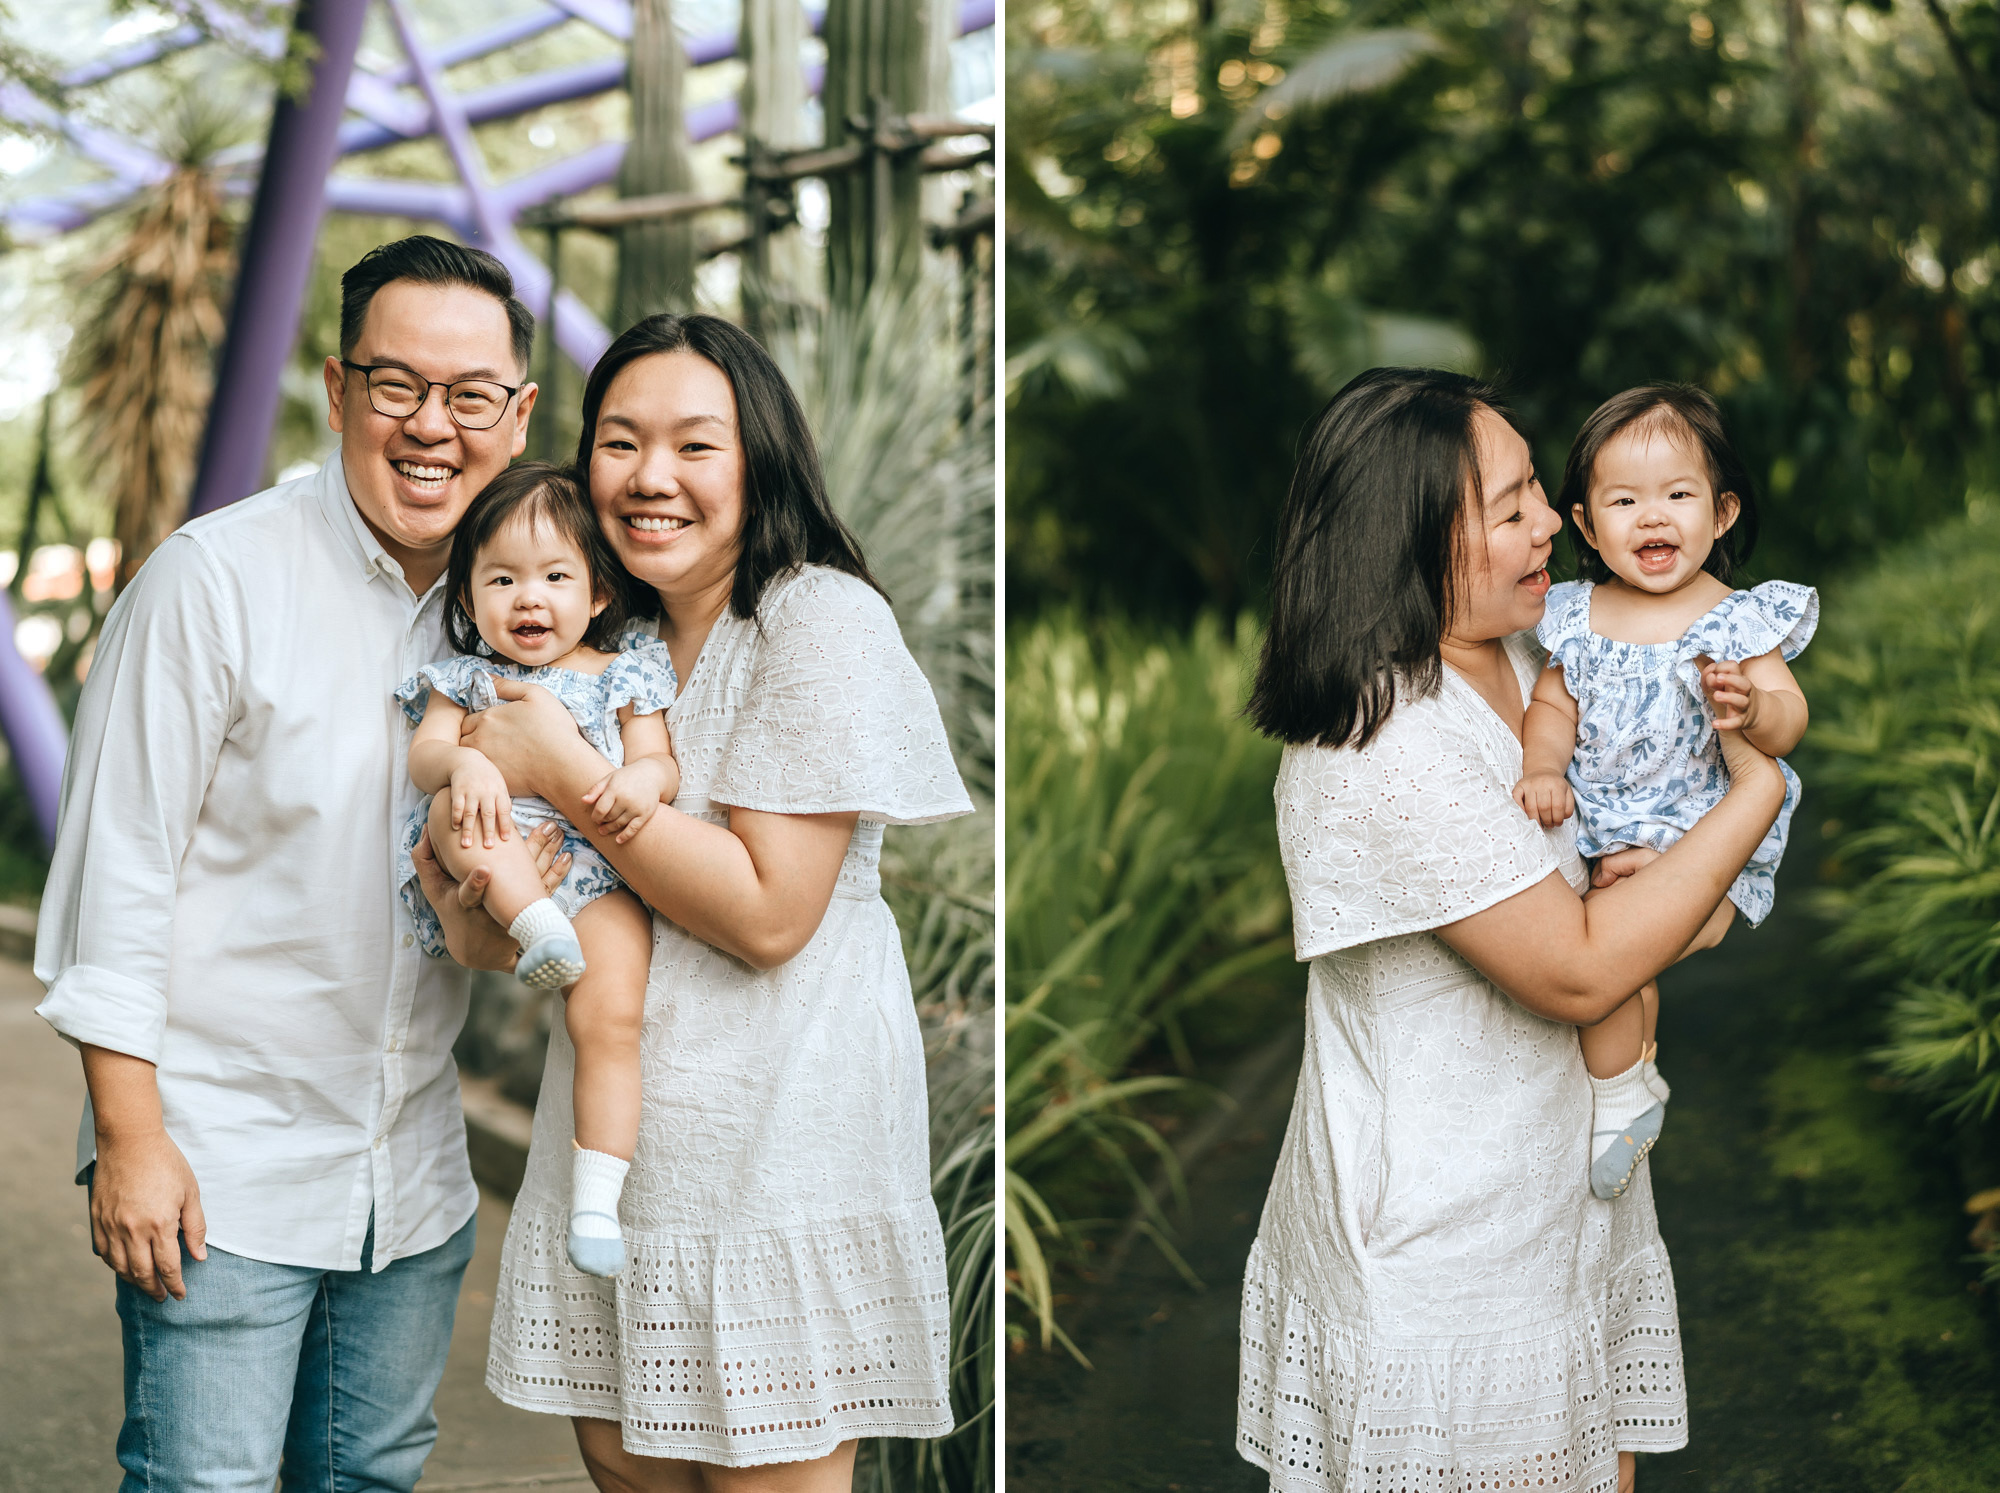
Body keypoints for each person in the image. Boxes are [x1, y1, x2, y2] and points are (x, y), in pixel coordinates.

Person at [34, 235, 570, 1492]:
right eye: (397, 386)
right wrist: (128, 1134)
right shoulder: (212, 582)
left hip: (413, 1182)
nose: (433, 427)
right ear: (338, 393)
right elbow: (116, 873)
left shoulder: (520, 614)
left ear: (519, 412)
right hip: (223, 1174)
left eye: (470, 395)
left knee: (367, 1479)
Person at [411, 312, 972, 1490]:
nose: (649, 477)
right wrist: (475, 893)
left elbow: (771, 916)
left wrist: (560, 767)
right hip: (617, 1164)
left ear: (758, 458)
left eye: (693, 445)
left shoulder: (814, 618)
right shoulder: (602, 632)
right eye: (618, 441)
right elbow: (510, 929)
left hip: (775, 1163)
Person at [1236, 367, 1788, 1493]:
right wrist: (1754, 796)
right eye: (1509, 506)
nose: (1551, 521)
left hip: (1566, 1206)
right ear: (1407, 542)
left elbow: (1674, 904)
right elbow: (1584, 968)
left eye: (1537, 486)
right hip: (1445, 1261)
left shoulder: (1543, 658)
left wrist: (1674, 878)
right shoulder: (1376, 745)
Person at [1512, 385, 1814, 1199]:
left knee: (1617, 964)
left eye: (1678, 495)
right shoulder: (1577, 617)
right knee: (1619, 964)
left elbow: (1791, 717)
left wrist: (1756, 708)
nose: (1653, 517)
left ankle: (1616, 1098)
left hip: (1698, 829)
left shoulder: (1734, 618)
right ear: (1586, 525)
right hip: (1609, 828)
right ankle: (1635, 1083)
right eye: (1625, 500)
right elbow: (1551, 707)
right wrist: (1544, 766)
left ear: (1720, 515)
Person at [398, 460, 679, 1278]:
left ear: (596, 594)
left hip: (597, 872)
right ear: (468, 598)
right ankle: (530, 922)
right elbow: (425, 757)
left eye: (556, 576)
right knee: (457, 815)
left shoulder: (625, 671)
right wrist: (464, 767)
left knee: (611, 1021)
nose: (529, 597)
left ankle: (597, 1198)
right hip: (497, 850)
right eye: (503, 578)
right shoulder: (468, 675)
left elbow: (659, 763)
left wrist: (638, 779)